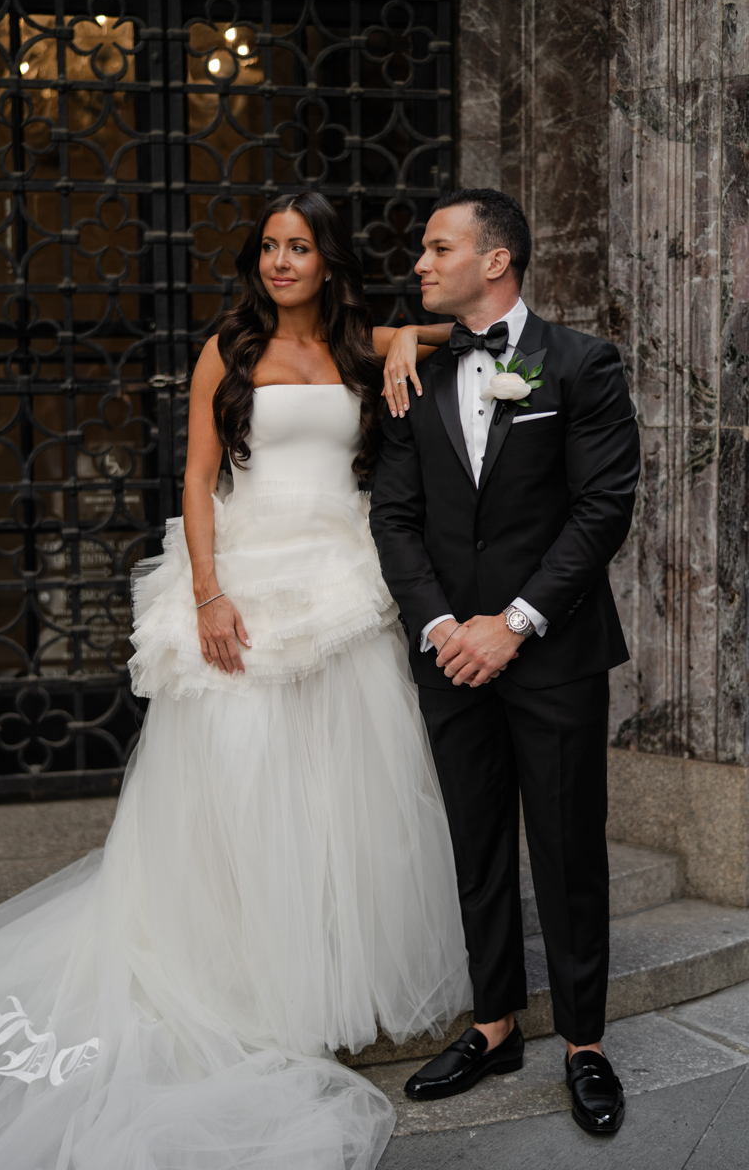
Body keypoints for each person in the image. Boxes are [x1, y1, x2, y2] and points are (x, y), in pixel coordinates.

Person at [0, 192, 468, 1169]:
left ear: (326, 261)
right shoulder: (226, 352)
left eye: (298, 247)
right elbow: (193, 478)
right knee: (239, 783)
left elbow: (471, 328)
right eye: (269, 247)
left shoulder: (362, 340)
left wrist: (406, 343)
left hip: (342, 581)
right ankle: (241, 976)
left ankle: (324, 974)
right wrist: (206, 593)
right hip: (246, 576)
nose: (280, 262)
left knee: (340, 785)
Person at [370, 188, 641, 1136]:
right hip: (450, 656)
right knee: (476, 845)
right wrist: (445, 627)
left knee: (567, 850)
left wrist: (513, 623)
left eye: (438, 248)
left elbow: (602, 507)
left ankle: (584, 1042)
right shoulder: (417, 375)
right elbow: (395, 516)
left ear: (497, 260)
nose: (419, 263)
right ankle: (494, 1025)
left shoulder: (582, 364)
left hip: (553, 651)